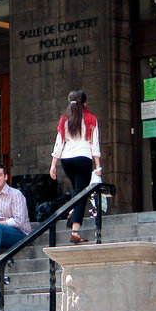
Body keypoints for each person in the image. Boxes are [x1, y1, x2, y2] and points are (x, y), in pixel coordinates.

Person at [49, 89, 102, 243]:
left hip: (67, 160)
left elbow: (59, 143)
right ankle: (75, 231)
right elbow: (94, 143)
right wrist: (98, 166)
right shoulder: (91, 119)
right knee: (81, 193)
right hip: (83, 158)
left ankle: (72, 210)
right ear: (85, 103)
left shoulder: (64, 120)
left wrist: (53, 165)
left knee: (77, 190)